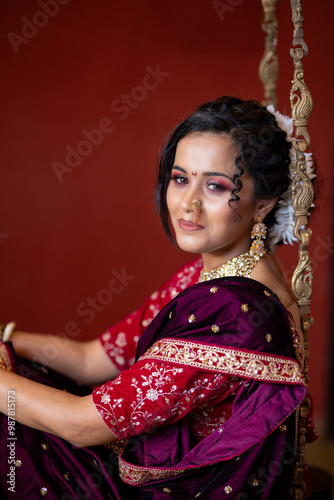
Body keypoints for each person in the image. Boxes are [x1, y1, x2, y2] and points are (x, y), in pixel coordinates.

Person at [0, 96, 310, 499]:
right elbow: (93, 358)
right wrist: (8, 339)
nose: (188, 203)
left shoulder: (236, 310)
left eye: (216, 186)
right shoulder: (211, 273)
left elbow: (80, 423)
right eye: (180, 179)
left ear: (263, 204)